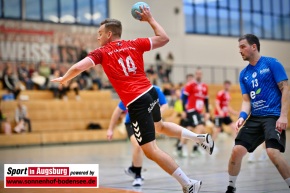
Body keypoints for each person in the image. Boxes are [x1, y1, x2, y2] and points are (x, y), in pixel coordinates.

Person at [51, 6, 214, 193]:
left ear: (109, 34)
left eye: (100, 33)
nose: (98, 37)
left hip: (137, 102)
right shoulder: (135, 43)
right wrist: (150, 19)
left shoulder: (101, 53)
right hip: (151, 92)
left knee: (150, 150)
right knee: (159, 126)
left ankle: (188, 184)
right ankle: (198, 137)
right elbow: (164, 38)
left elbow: (79, 67)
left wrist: (64, 78)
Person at [225, 34, 290, 193]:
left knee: (272, 152)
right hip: (255, 117)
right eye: (239, 47)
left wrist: (283, 115)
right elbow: (246, 101)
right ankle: (231, 187)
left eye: (243, 47)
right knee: (236, 151)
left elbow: (285, 89)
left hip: (273, 115)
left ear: (254, 46)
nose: (240, 51)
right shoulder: (244, 74)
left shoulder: (271, 63)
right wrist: (241, 117)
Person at [107, 85, 168, 187]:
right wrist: (110, 129)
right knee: (138, 145)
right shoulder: (132, 91)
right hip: (131, 123)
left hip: (146, 122)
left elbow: (165, 105)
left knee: (148, 149)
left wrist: (155, 116)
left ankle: (133, 168)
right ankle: (138, 176)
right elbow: (118, 111)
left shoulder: (155, 90)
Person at [177, 69, 211, 157]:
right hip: (192, 110)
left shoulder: (204, 86)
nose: (198, 75)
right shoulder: (190, 85)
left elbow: (206, 100)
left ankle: (180, 147)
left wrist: (207, 112)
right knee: (200, 127)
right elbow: (184, 98)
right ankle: (195, 148)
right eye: (197, 74)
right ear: (195, 75)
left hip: (199, 111)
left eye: (200, 74)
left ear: (202, 75)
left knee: (189, 128)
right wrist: (184, 110)